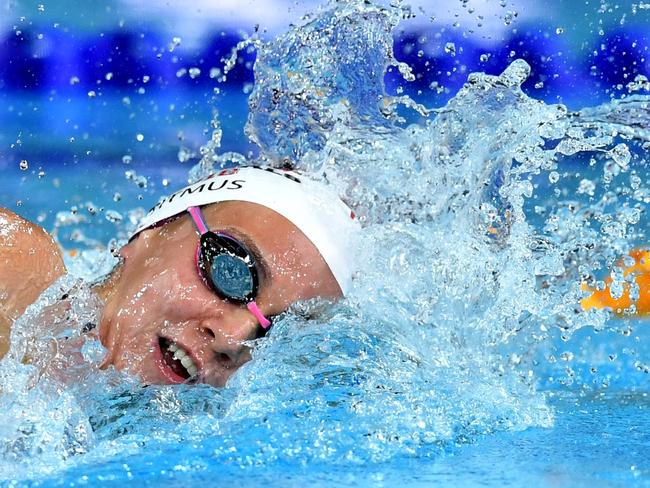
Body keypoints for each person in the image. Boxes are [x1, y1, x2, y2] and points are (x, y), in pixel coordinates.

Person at [0, 166, 359, 387]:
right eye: (233, 273)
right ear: (156, 229)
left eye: (276, 332)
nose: (234, 339)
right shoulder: (15, 273)